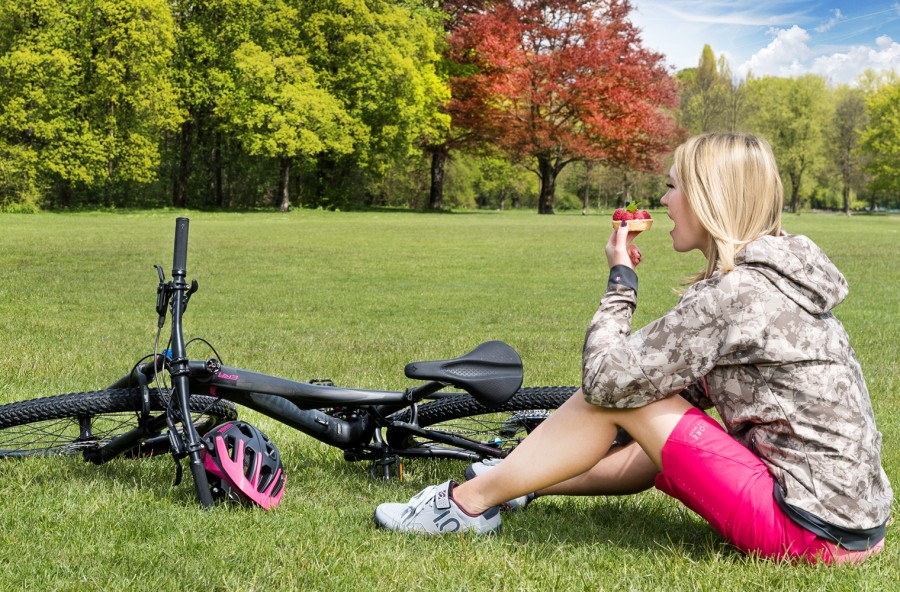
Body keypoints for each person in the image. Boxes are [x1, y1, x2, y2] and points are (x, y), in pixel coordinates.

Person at [373, 132, 892, 564]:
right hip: (854, 528)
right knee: (658, 407)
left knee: (622, 395)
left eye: (671, 187)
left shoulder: (739, 293)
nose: (663, 201)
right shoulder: (776, 282)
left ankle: (464, 505)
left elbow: (606, 381)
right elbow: (669, 400)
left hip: (808, 531)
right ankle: (516, 484)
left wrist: (621, 279)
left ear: (710, 197)